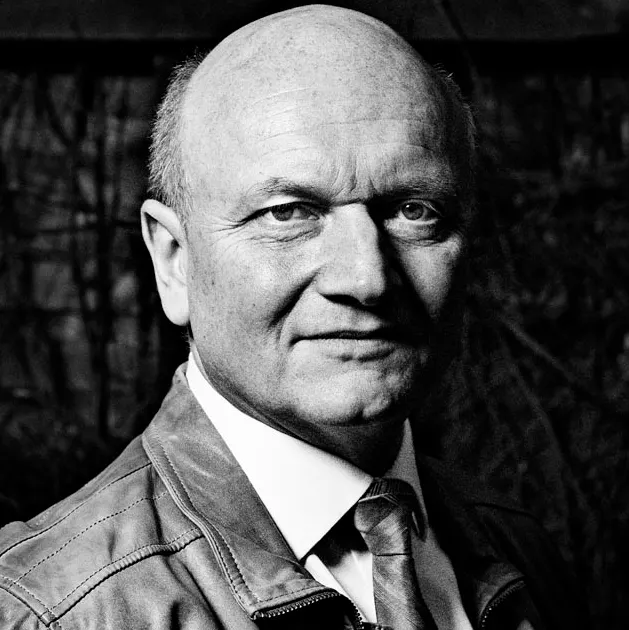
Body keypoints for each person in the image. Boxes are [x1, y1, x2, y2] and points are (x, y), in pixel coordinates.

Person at [0, 5, 587, 629]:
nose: (366, 279)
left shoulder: (521, 550)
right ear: (174, 261)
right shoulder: (49, 611)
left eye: (413, 211)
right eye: (288, 212)